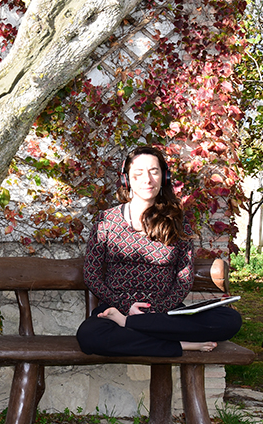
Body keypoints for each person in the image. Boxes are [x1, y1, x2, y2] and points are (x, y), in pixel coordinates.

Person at [75, 146, 242, 357]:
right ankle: (180, 344)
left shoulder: (177, 221)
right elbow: (92, 275)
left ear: (164, 177)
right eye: (139, 173)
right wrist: (125, 306)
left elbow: (184, 278)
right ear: (127, 179)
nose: (147, 179)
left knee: (230, 320)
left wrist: (158, 309)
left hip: (164, 312)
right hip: (116, 309)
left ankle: (131, 325)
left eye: (154, 172)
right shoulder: (106, 221)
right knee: (90, 336)